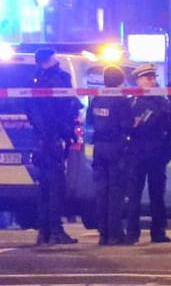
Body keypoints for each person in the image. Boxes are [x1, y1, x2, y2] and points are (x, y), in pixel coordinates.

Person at [25, 46, 79, 245]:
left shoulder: (32, 81)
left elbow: (30, 110)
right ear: (48, 61)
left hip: (40, 138)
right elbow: (65, 106)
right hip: (52, 138)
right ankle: (55, 230)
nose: (57, 62)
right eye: (54, 59)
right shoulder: (58, 78)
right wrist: (66, 131)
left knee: (45, 186)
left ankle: (44, 231)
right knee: (55, 185)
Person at [126, 63, 171, 245]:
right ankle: (132, 232)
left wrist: (167, 152)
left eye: (153, 77)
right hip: (137, 154)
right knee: (134, 195)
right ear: (138, 81)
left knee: (157, 196)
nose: (152, 81)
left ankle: (158, 231)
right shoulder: (132, 101)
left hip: (156, 155)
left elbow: (170, 129)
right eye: (147, 78)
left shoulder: (162, 102)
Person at [86, 64, 134, 245]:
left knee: (101, 192)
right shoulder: (121, 100)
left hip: (99, 148)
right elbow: (126, 124)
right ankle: (115, 234)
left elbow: (90, 122)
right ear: (120, 80)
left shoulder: (97, 99)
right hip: (116, 148)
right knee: (116, 192)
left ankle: (103, 234)